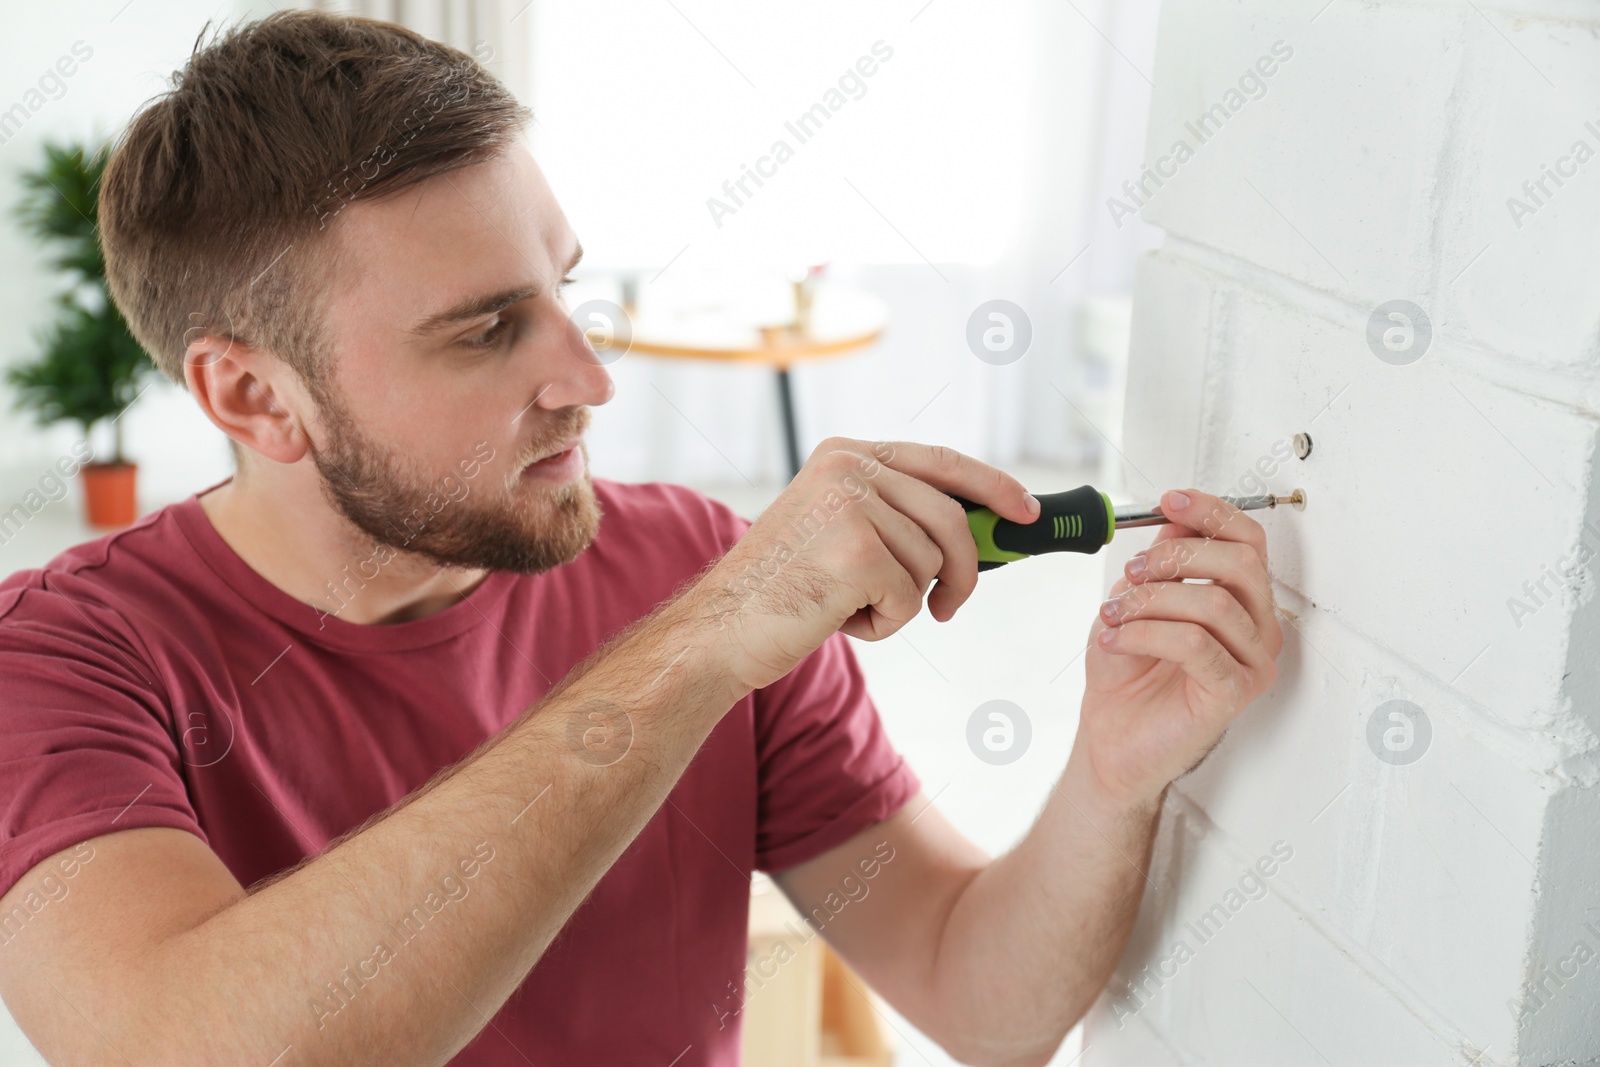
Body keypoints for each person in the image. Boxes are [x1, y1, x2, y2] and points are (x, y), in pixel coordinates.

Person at [0, 11, 1283, 1067]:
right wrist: (703, 644)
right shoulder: (62, 662)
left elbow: (978, 995)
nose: (589, 376)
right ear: (253, 396)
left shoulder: (689, 561)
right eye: (487, 329)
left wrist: (1110, 778)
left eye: (566, 287)